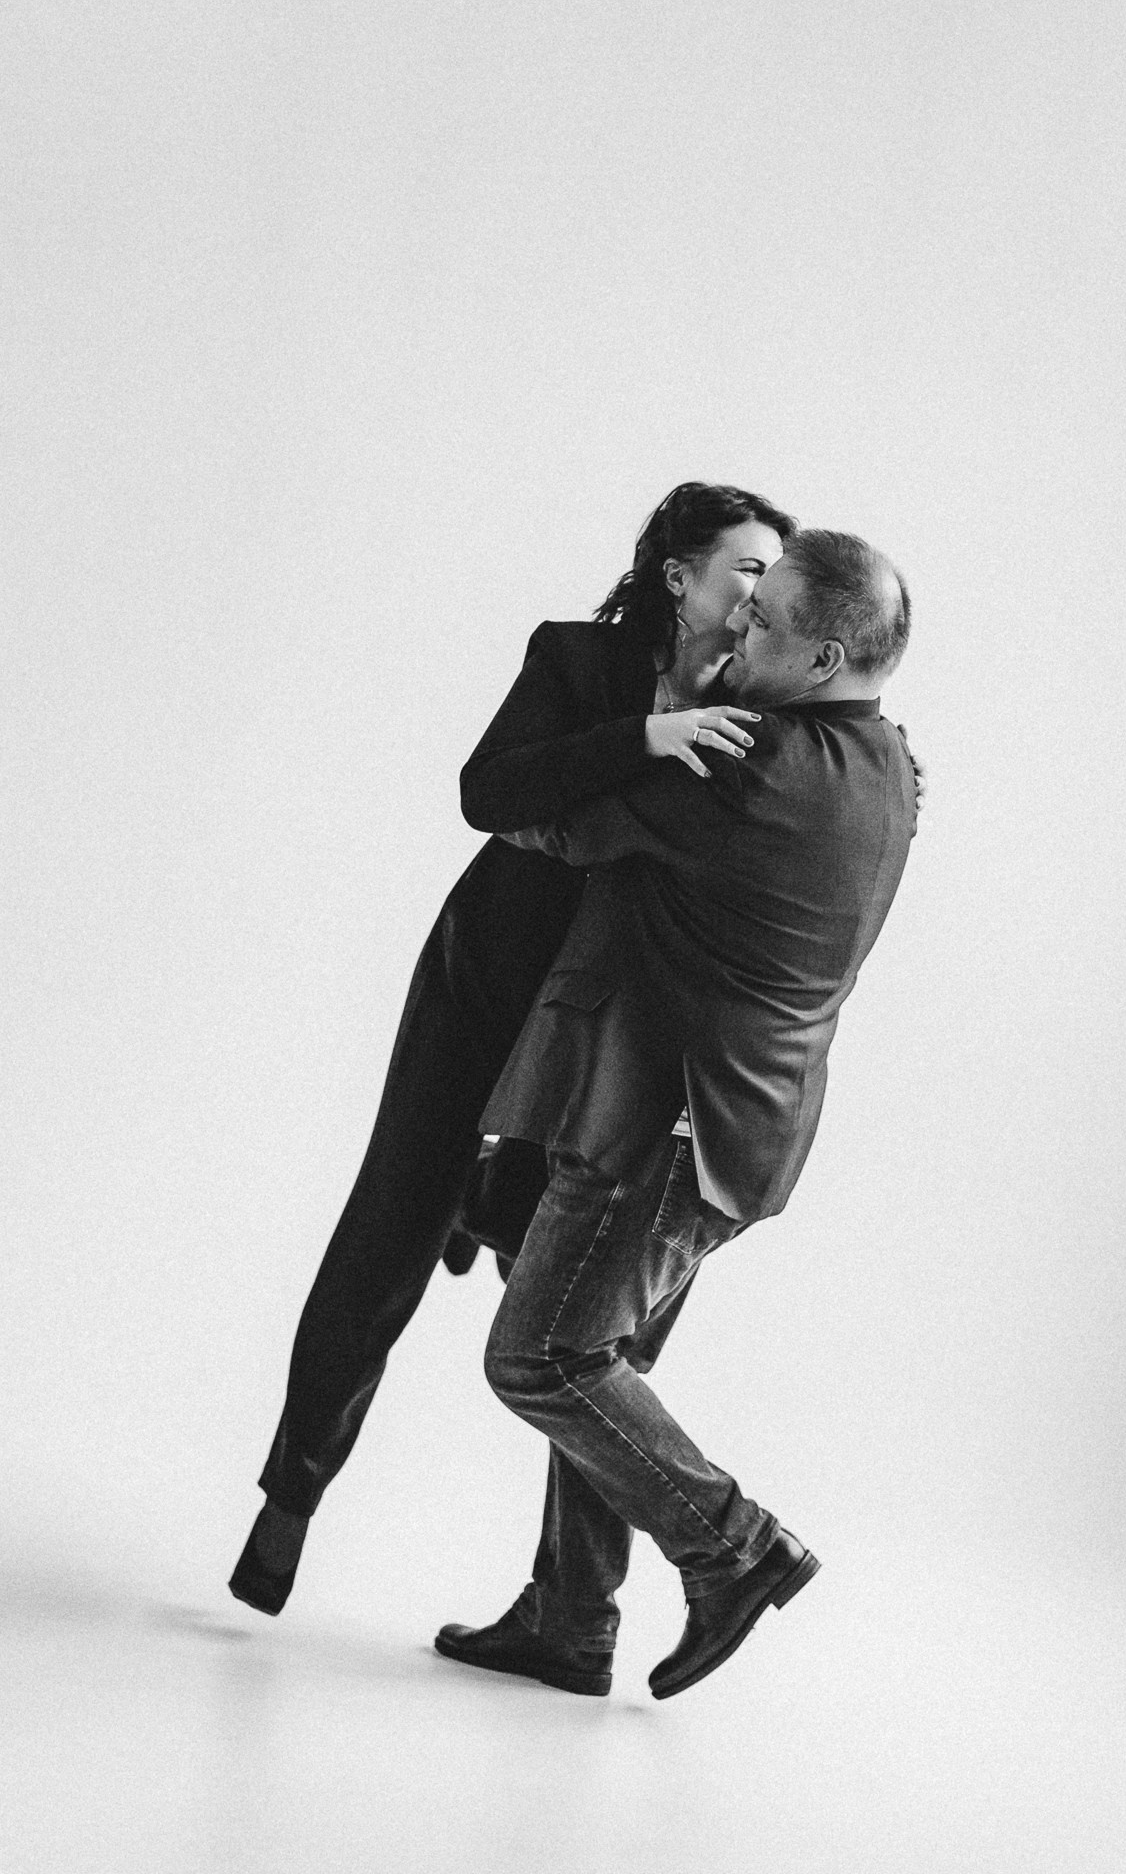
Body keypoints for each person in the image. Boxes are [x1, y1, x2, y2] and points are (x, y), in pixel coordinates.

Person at [229, 482, 795, 1615]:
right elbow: (485, 791)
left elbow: (817, 783)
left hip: (608, 1024)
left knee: (598, 1322)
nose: (759, 594)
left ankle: (572, 1604)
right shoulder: (578, 660)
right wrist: (645, 736)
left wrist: (890, 761)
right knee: (388, 1227)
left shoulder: (763, 699)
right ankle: (290, 1497)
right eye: (746, 568)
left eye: (772, 580)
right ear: (679, 575)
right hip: (486, 983)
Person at [433, 529, 917, 1700]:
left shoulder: (747, 760)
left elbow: (543, 821)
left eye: (764, 622)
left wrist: (640, 727)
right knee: (606, 1359)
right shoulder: (891, 763)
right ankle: (569, 1620)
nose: (735, 623)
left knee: (544, 1356)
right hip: (743, 1124)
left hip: (663, 1120)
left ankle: (734, 1547)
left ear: (823, 659)